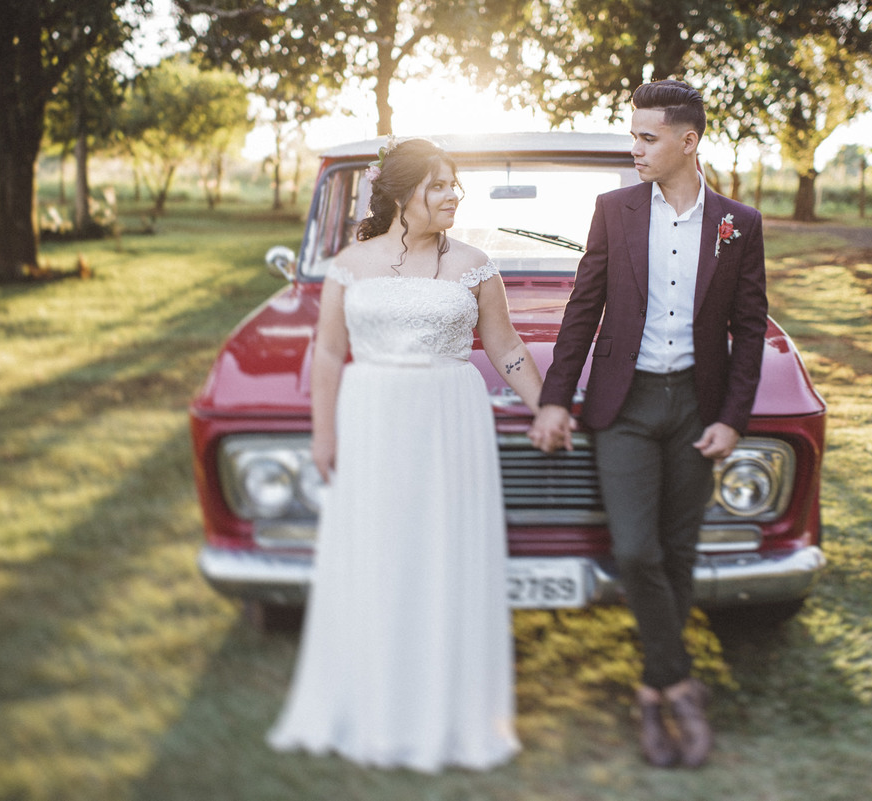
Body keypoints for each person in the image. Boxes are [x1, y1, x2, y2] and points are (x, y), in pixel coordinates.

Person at [267, 137, 542, 773]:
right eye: (440, 185)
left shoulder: (475, 264)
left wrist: (546, 405)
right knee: (379, 548)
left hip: (448, 418)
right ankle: (374, 694)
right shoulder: (349, 264)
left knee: (443, 548)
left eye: (455, 185)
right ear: (402, 195)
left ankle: (445, 700)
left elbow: (504, 346)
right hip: (372, 416)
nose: (453, 196)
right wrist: (324, 434)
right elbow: (330, 353)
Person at [527, 79, 768, 769]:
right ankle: (679, 684)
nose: (634, 147)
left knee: (678, 551)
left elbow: (748, 330)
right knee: (636, 551)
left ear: (687, 141)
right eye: (633, 134)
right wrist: (554, 397)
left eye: (647, 137)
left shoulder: (739, 224)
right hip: (624, 408)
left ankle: (651, 686)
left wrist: (732, 418)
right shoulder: (615, 211)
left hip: (697, 406)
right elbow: (583, 307)